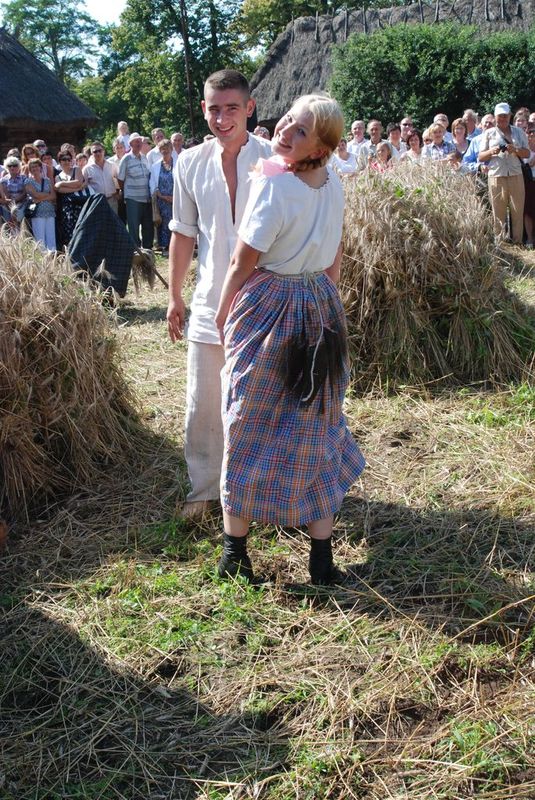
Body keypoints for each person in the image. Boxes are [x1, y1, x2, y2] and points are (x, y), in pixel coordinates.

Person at [213, 93, 365, 584]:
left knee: (246, 420)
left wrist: (223, 312)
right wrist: (323, 304)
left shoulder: (275, 186)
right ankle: (321, 562)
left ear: (319, 148)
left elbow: (242, 261)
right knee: (316, 423)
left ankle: (235, 557)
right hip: (319, 300)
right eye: (288, 121)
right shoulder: (334, 184)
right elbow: (334, 259)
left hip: (268, 304)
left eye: (301, 131)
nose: (285, 131)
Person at [166, 69, 272, 520]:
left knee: (262, 398)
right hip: (210, 296)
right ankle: (206, 489)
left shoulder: (273, 158)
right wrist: (175, 295)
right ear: (204, 110)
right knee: (203, 400)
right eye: (214, 109)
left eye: (232, 108)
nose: (222, 118)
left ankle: (260, 489)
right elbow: (182, 233)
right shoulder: (189, 163)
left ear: (249, 108)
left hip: (264, 298)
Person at [478, 102, 529, 243]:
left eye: (505, 116)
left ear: (510, 116)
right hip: (496, 175)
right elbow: (481, 157)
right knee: (498, 211)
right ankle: (500, 242)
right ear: (495, 117)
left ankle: (518, 242)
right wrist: (491, 151)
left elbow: (527, 153)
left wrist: (515, 150)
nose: (503, 119)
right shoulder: (488, 133)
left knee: (517, 210)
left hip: (516, 175)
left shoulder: (519, 132)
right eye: (500, 116)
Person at [117, 131, 153, 248]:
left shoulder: (144, 158)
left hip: (146, 198)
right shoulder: (126, 159)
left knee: (148, 227)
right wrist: (126, 192)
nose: (139, 143)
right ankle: (136, 253)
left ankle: (148, 251)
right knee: (133, 227)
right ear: (131, 144)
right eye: (136, 141)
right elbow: (120, 179)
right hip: (132, 198)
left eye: (140, 141)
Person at [55, 150, 92, 249]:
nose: (66, 161)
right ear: (60, 161)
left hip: (80, 205)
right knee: (69, 232)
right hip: (67, 209)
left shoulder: (76, 169)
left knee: (82, 230)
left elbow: (78, 182)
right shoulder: (58, 176)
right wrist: (77, 188)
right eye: (64, 159)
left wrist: (62, 183)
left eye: (69, 159)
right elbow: (60, 190)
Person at [25, 157, 56, 250]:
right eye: (32, 167)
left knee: (51, 238)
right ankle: (42, 257)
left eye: (36, 166)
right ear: (30, 169)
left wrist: (40, 198)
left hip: (50, 211)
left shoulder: (47, 180)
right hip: (37, 213)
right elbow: (35, 195)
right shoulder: (28, 181)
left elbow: (54, 196)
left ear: (40, 167)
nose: (35, 168)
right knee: (40, 239)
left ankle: (52, 256)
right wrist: (47, 195)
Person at [149, 138, 174, 254]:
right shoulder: (155, 166)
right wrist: (160, 194)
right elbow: (152, 183)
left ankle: (175, 245)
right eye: (162, 149)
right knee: (163, 222)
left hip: (176, 199)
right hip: (161, 200)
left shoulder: (178, 163)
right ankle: (164, 246)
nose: (165, 151)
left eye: (167, 148)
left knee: (175, 222)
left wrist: (174, 197)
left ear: (171, 149)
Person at [83, 141, 120, 214]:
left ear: (103, 151)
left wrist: (119, 192)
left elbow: (119, 179)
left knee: (113, 221)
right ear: (92, 154)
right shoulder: (87, 169)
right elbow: (84, 186)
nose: (98, 153)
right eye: (95, 151)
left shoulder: (112, 165)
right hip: (96, 202)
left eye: (100, 150)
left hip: (112, 200)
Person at [0, 156, 28, 229]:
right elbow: (6, 195)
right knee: (9, 226)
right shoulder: (3, 180)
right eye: (9, 166)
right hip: (8, 205)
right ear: (7, 167)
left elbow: (25, 193)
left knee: (20, 223)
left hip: (22, 204)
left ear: (18, 166)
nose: (12, 167)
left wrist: (15, 201)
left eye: (15, 165)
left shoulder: (24, 178)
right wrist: (11, 203)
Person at [523, 126, 535, 248]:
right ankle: (530, 238)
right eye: (529, 134)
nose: (531, 137)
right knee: (528, 211)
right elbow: (529, 164)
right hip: (528, 182)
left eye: (533, 134)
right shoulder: (524, 150)